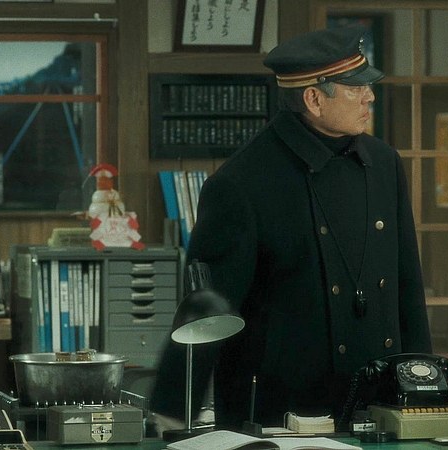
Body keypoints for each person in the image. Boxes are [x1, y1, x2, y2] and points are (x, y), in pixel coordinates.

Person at [150, 24, 432, 431]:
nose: (370, 96)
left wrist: (426, 387)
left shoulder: (384, 163)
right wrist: (173, 412)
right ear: (314, 99)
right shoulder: (241, 182)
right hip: (276, 415)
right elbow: (207, 311)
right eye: (356, 88)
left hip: (380, 405)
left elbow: (408, 285)